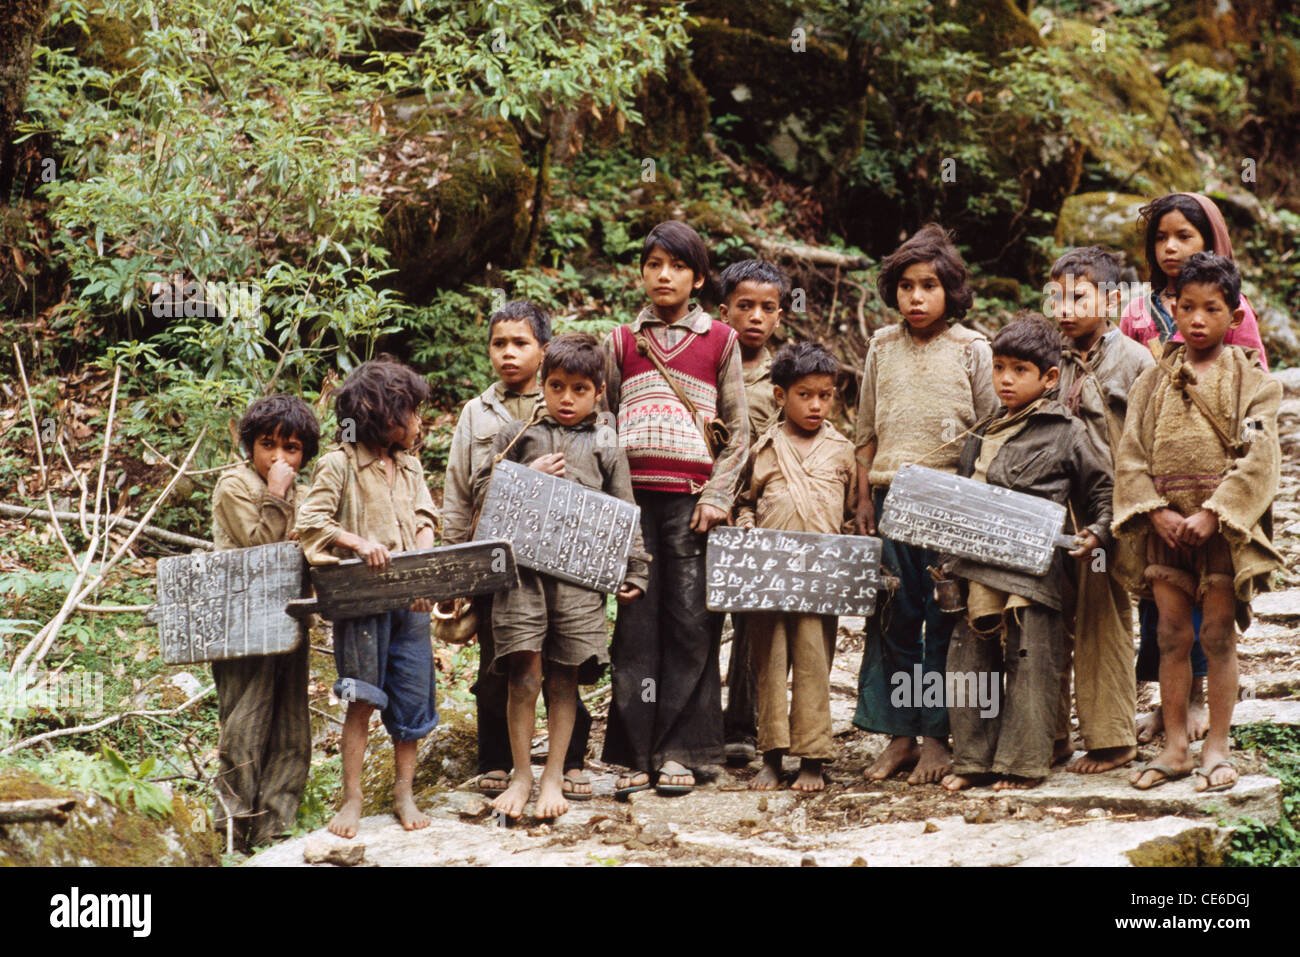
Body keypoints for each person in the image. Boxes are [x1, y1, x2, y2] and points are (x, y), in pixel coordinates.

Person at [1115, 253, 1282, 793]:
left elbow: (1259, 455)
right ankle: (1175, 748)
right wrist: (1152, 510)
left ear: (1234, 318)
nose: (1197, 319)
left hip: (1220, 534)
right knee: (1168, 635)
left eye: (1212, 309)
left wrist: (1216, 512)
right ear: (1173, 308)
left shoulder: (1252, 381)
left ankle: (1216, 747)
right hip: (1166, 533)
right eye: (1187, 307)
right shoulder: (1153, 380)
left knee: (1215, 636)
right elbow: (1131, 452)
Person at [600, 220, 750, 798]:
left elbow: (738, 432)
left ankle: (684, 751)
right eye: (655, 264)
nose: (665, 276)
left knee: (691, 625)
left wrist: (717, 496)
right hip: (632, 506)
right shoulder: (619, 342)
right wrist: (613, 504)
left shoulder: (721, 341)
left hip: (692, 507)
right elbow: (604, 423)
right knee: (636, 627)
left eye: (678, 266)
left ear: (698, 278)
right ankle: (636, 752)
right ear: (641, 272)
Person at [471, 332, 649, 818]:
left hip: (579, 576)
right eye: (556, 386)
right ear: (543, 385)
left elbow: (624, 507)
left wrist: (636, 567)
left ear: (599, 392)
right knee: (524, 673)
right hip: (523, 576)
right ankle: (522, 774)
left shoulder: (606, 440)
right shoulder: (517, 431)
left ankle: (554, 776)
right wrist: (529, 475)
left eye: (579, 389)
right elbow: (483, 491)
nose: (566, 399)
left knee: (565, 676)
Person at [852, 223, 998, 785]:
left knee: (945, 621)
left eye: (930, 286)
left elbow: (991, 430)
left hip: (949, 501)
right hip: (891, 497)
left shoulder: (974, 349)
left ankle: (939, 736)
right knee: (892, 617)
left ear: (951, 291)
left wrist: (977, 504)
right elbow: (866, 428)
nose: (917, 297)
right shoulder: (881, 346)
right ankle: (900, 737)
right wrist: (864, 497)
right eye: (907, 286)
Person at [941, 315, 1114, 791]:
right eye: (999, 368)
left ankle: (1022, 765)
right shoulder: (980, 431)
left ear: (1049, 378)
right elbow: (960, 491)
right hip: (975, 567)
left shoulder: (1066, 431)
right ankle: (973, 762)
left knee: (1031, 662)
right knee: (970, 663)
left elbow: (1102, 490)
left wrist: (1098, 534)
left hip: (1034, 572)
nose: (1006, 380)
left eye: (1019, 370)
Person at [441, 300, 596, 802]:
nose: (508, 354)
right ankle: (499, 760)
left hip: (559, 555)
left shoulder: (562, 401)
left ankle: (567, 759)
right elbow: (460, 490)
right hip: (493, 548)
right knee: (500, 654)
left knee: (561, 655)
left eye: (520, 343)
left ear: (544, 349)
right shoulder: (476, 412)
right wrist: (453, 566)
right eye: (499, 344)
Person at [296, 357, 440, 838]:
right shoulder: (339, 464)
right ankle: (352, 795)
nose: (418, 422)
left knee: (411, 698)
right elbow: (311, 523)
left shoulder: (410, 465)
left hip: (410, 603)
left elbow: (425, 519)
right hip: (362, 604)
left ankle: (404, 790)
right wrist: (358, 543)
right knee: (361, 698)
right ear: (384, 415)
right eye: (411, 411)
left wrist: (422, 571)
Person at [1048, 247, 1152, 774]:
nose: (1065, 309)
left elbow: (1150, 437)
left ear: (1112, 300)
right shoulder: (1049, 358)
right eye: (1057, 297)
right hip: (1051, 504)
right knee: (1047, 619)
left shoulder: (1134, 360)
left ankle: (1112, 738)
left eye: (1078, 297)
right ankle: (1051, 734)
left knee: (1102, 617)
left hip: (1109, 507)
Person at [734, 342, 855, 793]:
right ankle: (770, 756)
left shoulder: (843, 451)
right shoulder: (764, 448)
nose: (817, 405)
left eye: (825, 395)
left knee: (813, 665)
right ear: (781, 396)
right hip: (769, 575)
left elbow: (850, 519)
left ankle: (812, 758)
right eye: (805, 395)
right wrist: (746, 526)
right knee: (768, 664)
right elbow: (744, 503)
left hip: (821, 579)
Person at [210, 394, 320, 851]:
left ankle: (276, 832)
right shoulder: (234, 486)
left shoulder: (309, 493)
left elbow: (315, 546)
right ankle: (231, 833)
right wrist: (275, 496)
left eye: (291, 448)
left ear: (305, 453)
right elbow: (263, 553)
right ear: (250, 446)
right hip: (242, 625)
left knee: (292, 729)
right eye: (267, 445)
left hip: (289, 621)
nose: (278, 457)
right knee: (244, 726)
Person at [716, 258, 788, 765]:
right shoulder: (705, 363)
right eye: (744, 306)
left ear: (780, 317)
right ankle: (698, 720)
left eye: (766, 308)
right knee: (700, 616)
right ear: (724, 312)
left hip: (754, 510)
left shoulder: (782, 378)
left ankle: (743, 723)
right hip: (702, 504)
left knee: (751, 617)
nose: (755, 318)